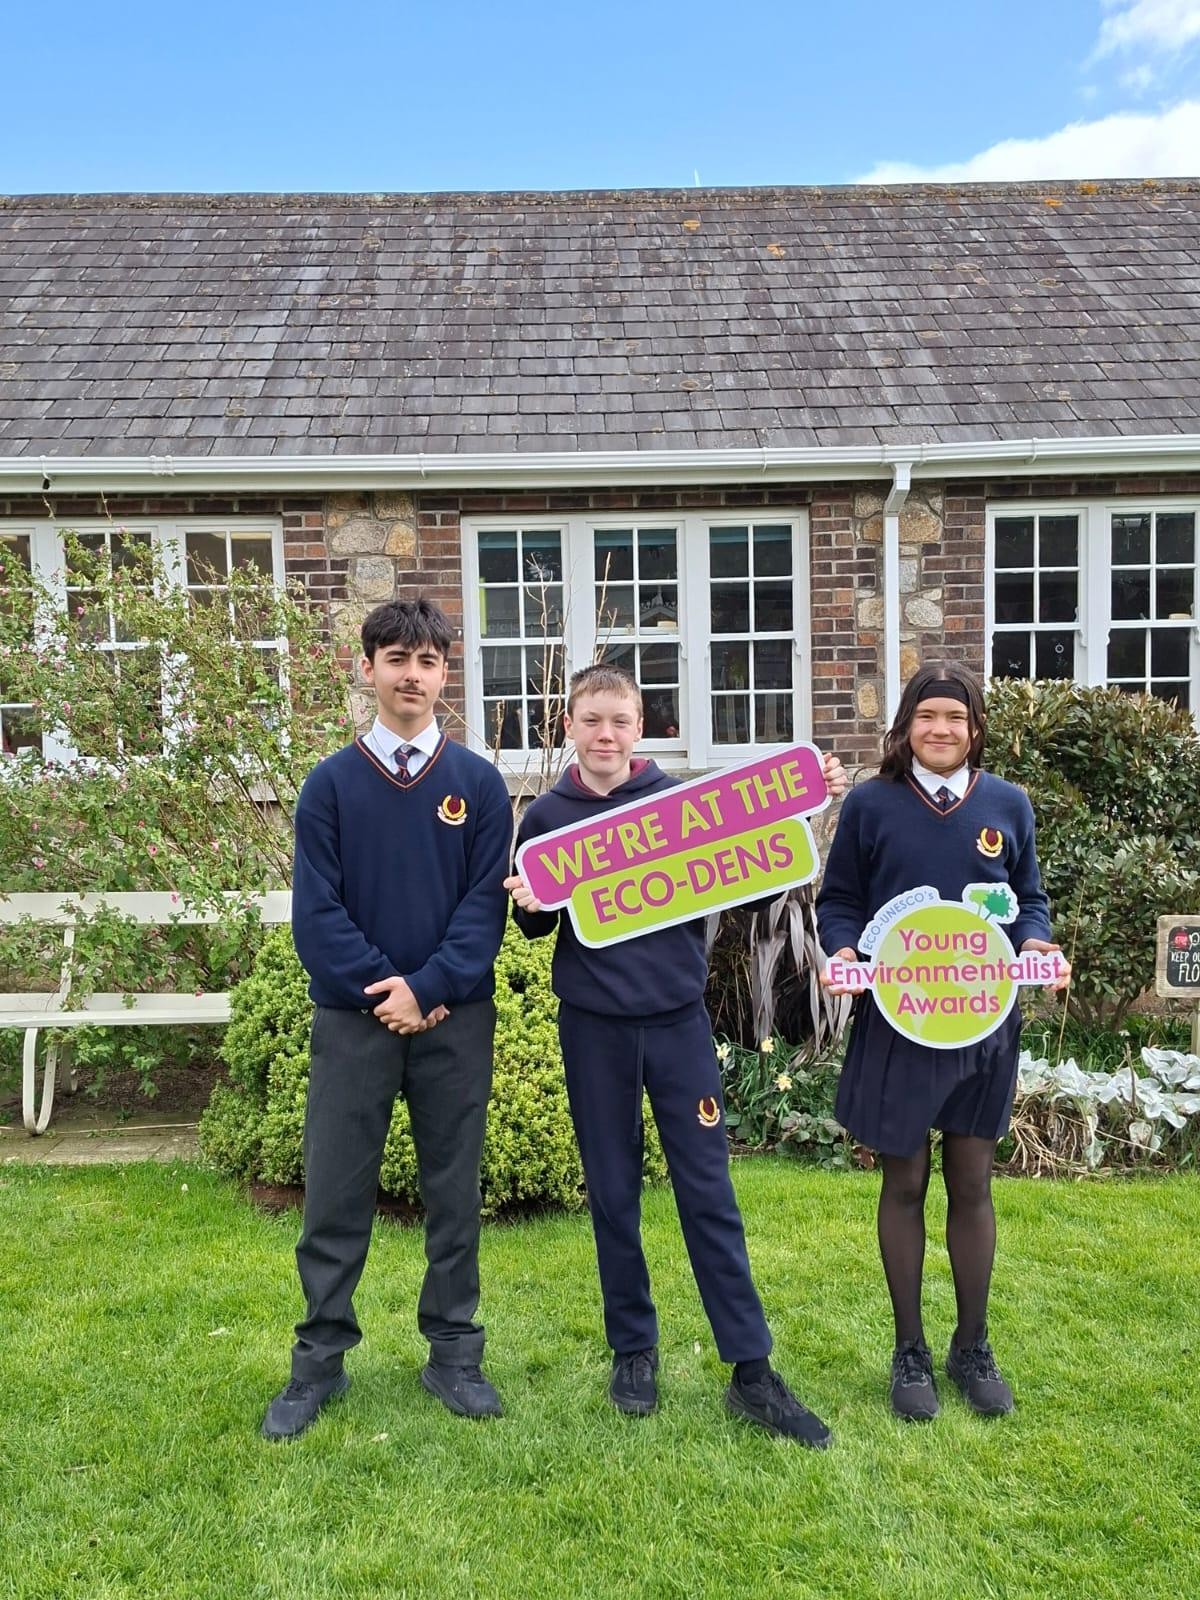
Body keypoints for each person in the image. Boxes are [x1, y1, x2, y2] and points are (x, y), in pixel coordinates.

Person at [505, 663, 847, 1446]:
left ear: (641, 728)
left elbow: (754, 881)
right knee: (613, 1193)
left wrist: (808, 803)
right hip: (593, 1030)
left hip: (677, 1027)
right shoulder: (547, 819)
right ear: (568, 726)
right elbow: (534, 927)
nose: (606, 735)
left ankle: (752, 1370)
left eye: (620, 721)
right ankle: (634, 1351)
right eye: (592, 721)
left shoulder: (680, 805)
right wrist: (524, 897)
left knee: (708, 1192)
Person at [261, 598, 512, 1441]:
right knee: (335, 1194)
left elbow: (482, 911)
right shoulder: (329, 785)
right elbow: (317, 916)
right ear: (366, 667)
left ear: (445, 674)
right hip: (354, 1023)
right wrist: (389, 992)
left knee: (453, 1194)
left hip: (454, 1022)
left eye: (427, 661)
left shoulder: (478, 785)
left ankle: (455, 1355)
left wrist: (430, 988)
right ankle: (318, 1361)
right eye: (396, 658)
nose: (412, 675)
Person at [816, 662, 1069, 1423]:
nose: (941, 729)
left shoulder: (1007, 804)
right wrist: (844, 949)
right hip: (899, 1020)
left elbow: (1029, 900)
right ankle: (910, 1351)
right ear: (906, 726)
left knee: (972, 1182)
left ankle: (972, 1345)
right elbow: (840, 901)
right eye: (927, 715)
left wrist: (1037, 941)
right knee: (904, 1182)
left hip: (981, 1021)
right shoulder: (871, 804)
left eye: (955, 717)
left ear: (975, 728)